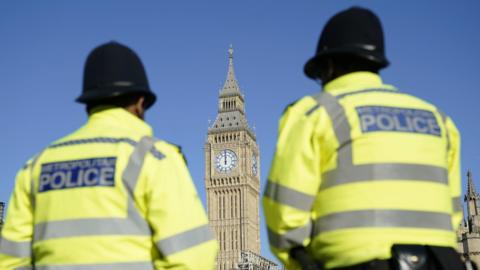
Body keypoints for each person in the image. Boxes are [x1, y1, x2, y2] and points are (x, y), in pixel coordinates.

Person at [263, 7, 465, 270]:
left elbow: (284, 216)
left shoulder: (314, 113)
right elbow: (453, 213)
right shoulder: (439, 119)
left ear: (329, 65)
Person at [0, 41, 218, 270]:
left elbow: (10, 261)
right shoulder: (154, 158)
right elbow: (193, 258)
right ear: (140, 103)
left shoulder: (37, 166)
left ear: (89, 103)